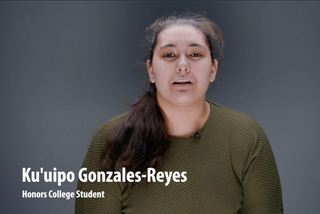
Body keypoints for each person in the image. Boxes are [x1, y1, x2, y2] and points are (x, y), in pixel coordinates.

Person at [75, 13, 283, 214]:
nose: (182, 66)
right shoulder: (112, 138)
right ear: (151, 71)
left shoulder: (245, 135)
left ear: (212, 69)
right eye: (169, 55)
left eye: (195, 55)